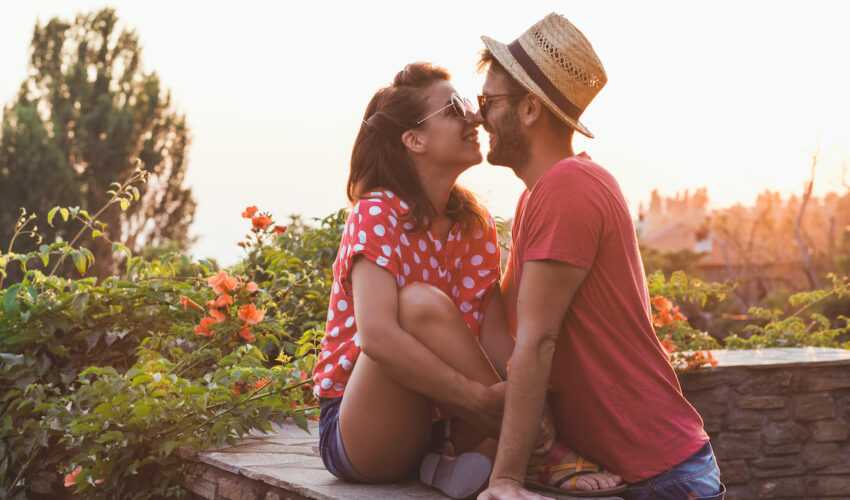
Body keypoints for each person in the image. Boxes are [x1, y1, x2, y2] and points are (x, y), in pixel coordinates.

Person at [312, 61, 621, 499]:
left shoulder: (473, 225)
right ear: (414, 140)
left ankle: (478, 453)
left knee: (442, 321)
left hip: (439, 426)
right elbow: (377, 338)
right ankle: (528, 451)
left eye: (470, 106)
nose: (474, 116)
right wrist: (481, 403)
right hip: (358, 429)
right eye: (454, 108)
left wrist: (534, 406)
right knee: (419, 305)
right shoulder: (376, 213)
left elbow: (494, 336)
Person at [475, 13, 726, 500]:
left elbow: (537, 339)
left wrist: (504, 478)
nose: (478, 116)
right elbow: (500, 323)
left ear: (529, 109)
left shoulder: (569, 187)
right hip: (612, 472)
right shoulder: (538, 196)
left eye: (488, 102)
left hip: (661, 477)